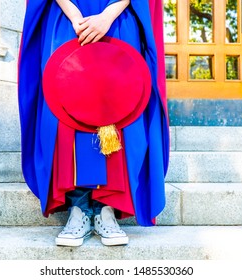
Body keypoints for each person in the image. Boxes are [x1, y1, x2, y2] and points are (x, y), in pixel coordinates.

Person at [18, 0, 169, 247]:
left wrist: (109, 14)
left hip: (117, 16)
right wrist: (73, 13)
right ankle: (78, 208)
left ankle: (106, 208)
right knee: (67, 105)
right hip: (68, 18)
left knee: (117, 102)